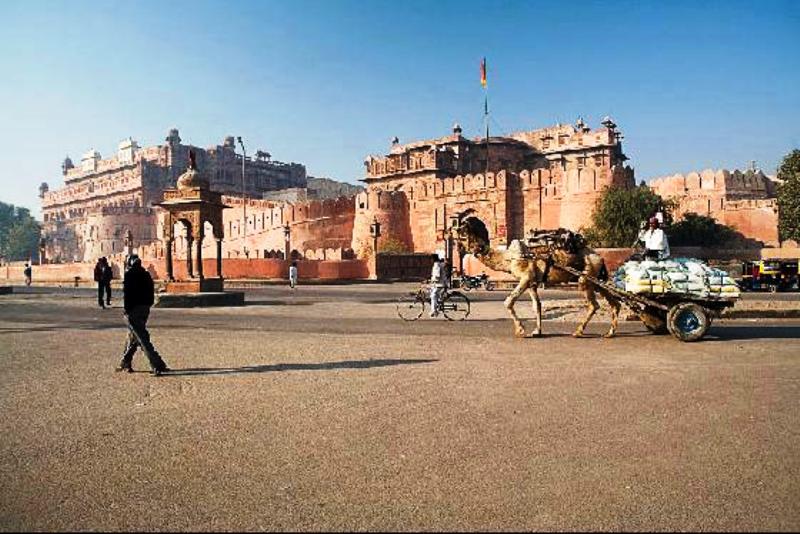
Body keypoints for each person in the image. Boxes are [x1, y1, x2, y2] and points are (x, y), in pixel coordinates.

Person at [117, 254, 169, 376]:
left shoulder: (129, 275)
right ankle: (126, 362)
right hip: (144, 309)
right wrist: (147, 305)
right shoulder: (146, 275)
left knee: (142, 338)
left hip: (133, 310)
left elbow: (128, 296)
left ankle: (157, 364)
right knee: (133, 337)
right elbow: (151, 293)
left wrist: (127, 310)